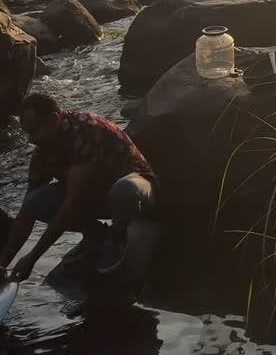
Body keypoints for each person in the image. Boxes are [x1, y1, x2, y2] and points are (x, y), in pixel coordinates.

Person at [0, 94, 158, 282]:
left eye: (34, 131)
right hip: (97, 197)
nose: (31, 141)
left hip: (138, 191)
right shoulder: (43, 151)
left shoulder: (86, 130)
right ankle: (97, 235)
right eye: (28, 134)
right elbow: (26, 212)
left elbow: (72, 203)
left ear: (53, 119)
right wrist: (3, 263)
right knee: (35, 201)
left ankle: (117, 237)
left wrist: (32, 258)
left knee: (124, 190)